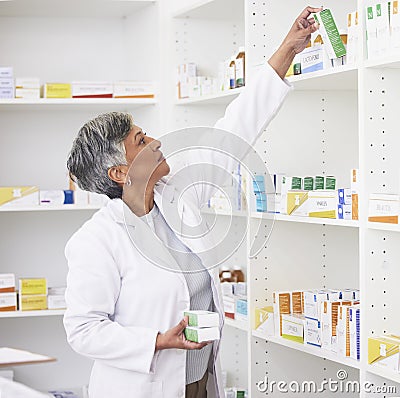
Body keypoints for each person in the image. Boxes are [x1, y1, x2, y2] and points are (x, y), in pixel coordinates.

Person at [63, 7, 321, 398]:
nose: (157, 142)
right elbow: (82, 331)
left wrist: (288, 48)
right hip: (145, 386)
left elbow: (235, 127)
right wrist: (155, 341)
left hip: (199, 382)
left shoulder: (177, 191)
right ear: (119, 173)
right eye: (141, 142)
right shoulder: (97, 240)